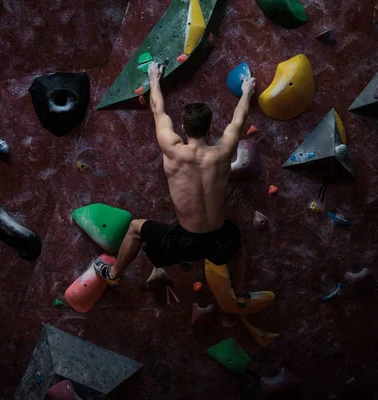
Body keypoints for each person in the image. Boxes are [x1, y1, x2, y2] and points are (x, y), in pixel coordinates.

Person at [94, 61, 257, 307]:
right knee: (237, 248)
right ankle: (241, 291)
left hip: (185, 242)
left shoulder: (172, 149)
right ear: (210, 129)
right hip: (219, 239)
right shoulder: (224, 150)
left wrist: (154, 77)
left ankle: (114, 275)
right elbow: (238, 119)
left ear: (182, 128)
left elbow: (158, 110)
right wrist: (247, 91)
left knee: (136, 229)